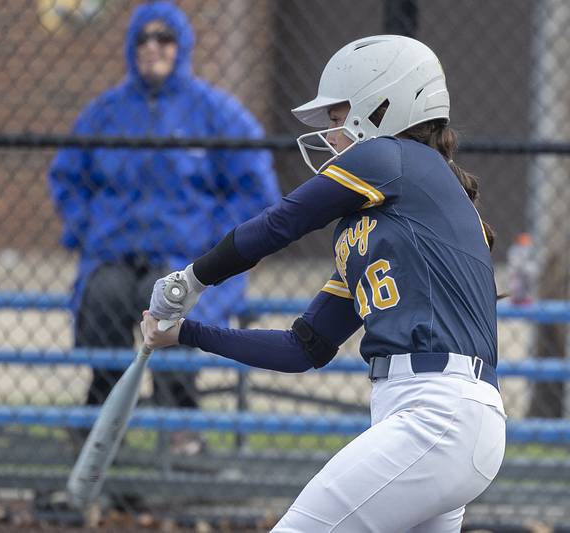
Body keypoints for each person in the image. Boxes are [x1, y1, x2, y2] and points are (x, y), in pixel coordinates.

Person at [143, 35, 506, 532]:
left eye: (339, 119)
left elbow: (280, 223)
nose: (333, 135)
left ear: (385, 104)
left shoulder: (393, 158)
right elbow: (302, 348)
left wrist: (191, 279)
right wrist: (186, 334)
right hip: (445, 419)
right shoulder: (383, 224)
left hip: (437, 413)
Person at [48, 1, 280, 453]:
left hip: (184, 259)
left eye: (164, 38)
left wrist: (218, 247)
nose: (152, 47)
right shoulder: (106, 112)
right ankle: (100, 421)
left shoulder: (216, 112)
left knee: (170, 305)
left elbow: (255, 191)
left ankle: (182, 429)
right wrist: (87, 228)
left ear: (182, 47)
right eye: (142, 39)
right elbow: (67, 177)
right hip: (114, 254)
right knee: (105, 298)